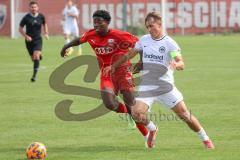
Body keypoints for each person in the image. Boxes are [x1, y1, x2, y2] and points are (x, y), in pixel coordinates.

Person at [103, 11, 215, 149]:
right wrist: (113, 66)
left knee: (185, 115)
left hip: (165, 86)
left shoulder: (169, 43)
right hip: (147, 86)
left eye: (152, 26)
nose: (150, 29)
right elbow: (129, 54)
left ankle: (205, 138)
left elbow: (180, 62)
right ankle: (152, 129)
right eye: (147, 27)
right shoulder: (144, 40)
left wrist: (176, 64)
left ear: (160, 24)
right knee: (136, 113)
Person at [60, 10, 149, 145]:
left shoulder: (119, 35)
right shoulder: (91, 35)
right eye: (94, 22)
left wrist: (141, 62)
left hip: (123, 71)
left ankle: (147, 135)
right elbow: (79, 40)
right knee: (109, 103)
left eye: (99, 22)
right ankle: (129, 114)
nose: (96, 25)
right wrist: (66, 46)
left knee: (132, 107)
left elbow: (141, 45)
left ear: (107, 22)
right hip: (106, 74)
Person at [19, 1, 49, 82]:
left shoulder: (41, 16)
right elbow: (20, 28)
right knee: (33, 58)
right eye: (32, 7)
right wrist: (26, 36)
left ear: (37, 8)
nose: (34, 9)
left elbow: (45, 23)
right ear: (29, 8)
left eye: (35, 7)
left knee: (36, 56)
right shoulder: (26, 17)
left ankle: (34, 76)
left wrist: (46, 33)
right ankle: (38, 56)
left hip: (38, 40)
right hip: (29, 41)